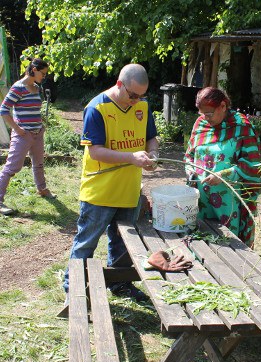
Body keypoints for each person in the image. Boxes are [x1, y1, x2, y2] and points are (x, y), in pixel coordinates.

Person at [63, 63, 159, 303]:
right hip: (100, 192)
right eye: (133, 95)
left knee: (123, 242)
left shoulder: (142, 106)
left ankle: (119, 284)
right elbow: (95, 151)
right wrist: (131, 157)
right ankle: (73, 290)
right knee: (86, 243)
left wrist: (153, 155)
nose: (136, 101)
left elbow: (151, 138)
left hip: (129, 190)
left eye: (141, 96)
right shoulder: (97, 108)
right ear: (119, 84)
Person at [184, 87, 261, 248]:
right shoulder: (200, 124)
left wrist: (224, 175)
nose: (205, 118)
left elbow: (252, 165)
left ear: (223, 106)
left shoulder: (241, 127)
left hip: (229, 202)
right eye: (202, 114)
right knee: (201, 243)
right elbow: (189, 155)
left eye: (209, 114)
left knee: (227, 245)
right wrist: (189, 169)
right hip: (201, 200)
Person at [0, 58, 56, 216]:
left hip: (38, 133)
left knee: (38, 164)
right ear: (34, 70)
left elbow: (33, 109)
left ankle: (42, 189)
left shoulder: (36, 88)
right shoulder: (18, 87)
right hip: (23, 135)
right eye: (43, 73)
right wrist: (17, 129)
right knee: (11, 168)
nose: (44, 77)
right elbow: (4, 110)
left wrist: (41, 125)